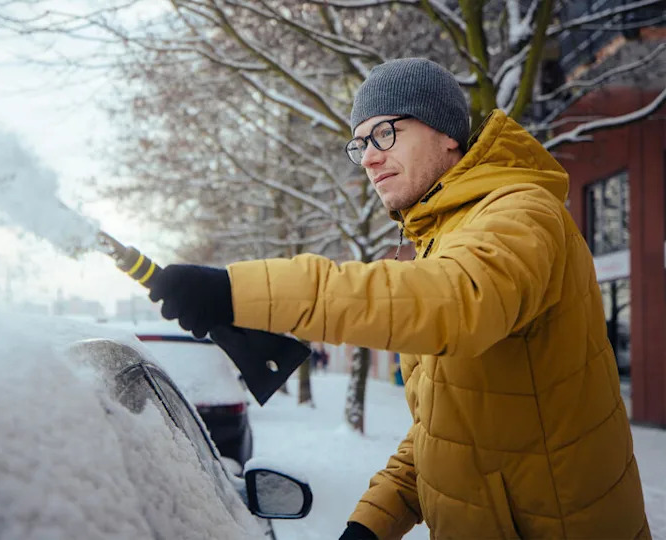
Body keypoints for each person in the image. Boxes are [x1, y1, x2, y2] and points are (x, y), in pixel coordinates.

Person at [147, 58, 649, 539]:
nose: (368, 157)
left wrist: (236, 291)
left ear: (446, 132)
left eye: (385, 133)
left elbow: (457, 303)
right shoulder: (440, 242)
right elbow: (446, 428)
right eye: (360, 142)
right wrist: (372, 522)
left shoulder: (521, 212)